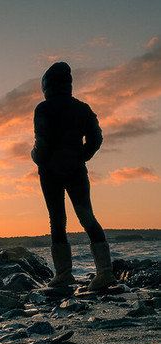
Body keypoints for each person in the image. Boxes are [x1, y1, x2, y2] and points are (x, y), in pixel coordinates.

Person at [31, 61, 117, 291]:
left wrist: (36, 157)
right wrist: (81, 156)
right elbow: (96, 139)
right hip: (76, 170)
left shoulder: (44, 108)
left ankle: (64, 274)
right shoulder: (82, 108)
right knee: (87, 217)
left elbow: (42, 141)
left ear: (47, 85)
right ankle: (105, 272)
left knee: (57, 220)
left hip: (50, 172)